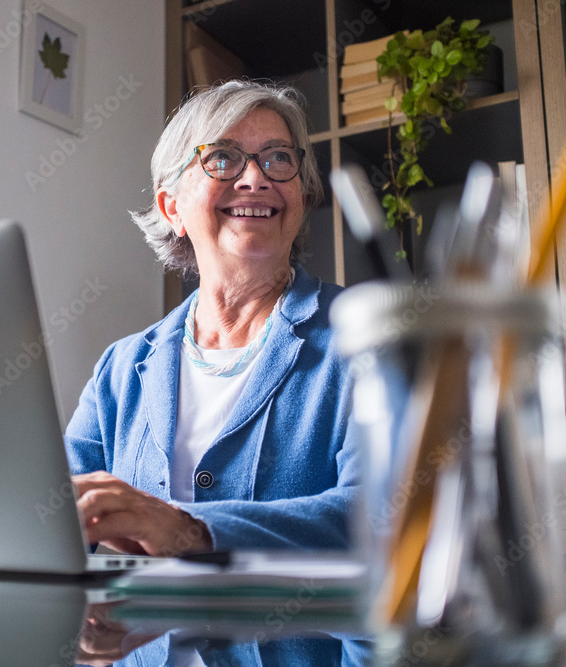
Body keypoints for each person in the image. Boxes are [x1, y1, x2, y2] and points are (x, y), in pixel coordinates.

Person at [64, 80, 360, 557]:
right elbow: (54, 520)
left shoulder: (367, 340)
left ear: (300, 196)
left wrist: (189, 530)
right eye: (222, 157)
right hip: (134, 636)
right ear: (171, 208)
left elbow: (385, 516)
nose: (256, 179)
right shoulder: (119, 370)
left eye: (279, 158)